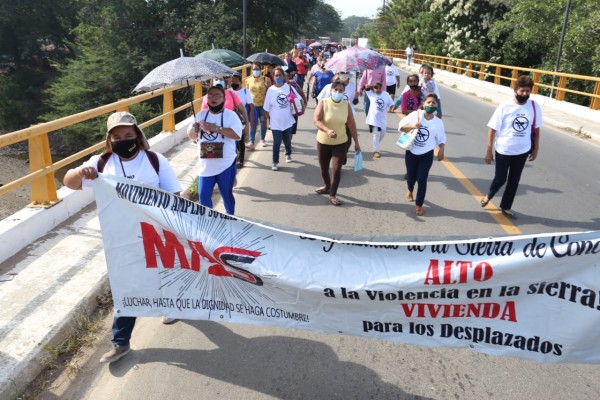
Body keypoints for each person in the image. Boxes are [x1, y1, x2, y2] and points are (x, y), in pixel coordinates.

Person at [63, 111, 182, 364]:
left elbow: (175, 194)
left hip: (155, 232)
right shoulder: (102, 163)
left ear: (138, 135)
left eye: (128, 135)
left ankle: (170, 306)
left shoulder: (155, 160)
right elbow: (69, 182)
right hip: (122, 237)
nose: (123, 139)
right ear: (109, 139)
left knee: (163, 272)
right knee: (126, 286)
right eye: (116, 136)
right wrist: (82, 172)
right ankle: (121, 342)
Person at [480, 75, 542, 218]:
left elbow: (537, 129)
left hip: (522, 150)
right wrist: (489, 150)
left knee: (514, 180)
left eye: (527, 91)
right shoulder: (505, 106)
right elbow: (492, 128)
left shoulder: (534, 106)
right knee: (501, 178)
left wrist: (536, 148)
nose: (525, 94)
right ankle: (489, 194)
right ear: (515, 91)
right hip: (504, 149)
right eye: (522, 91)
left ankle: (506, 207)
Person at [188, 85, 243, 215]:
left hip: (225, 164)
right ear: (206, 99)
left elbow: (237, 135)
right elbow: (191, 136)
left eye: (217, 95)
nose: (213, 98)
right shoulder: (201, 115)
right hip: (206, 165)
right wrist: (194, 129)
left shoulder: (231, 115)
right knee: (203, 196)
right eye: (210, 95)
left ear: (224, 99)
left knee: (226, 195)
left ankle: (231, 218)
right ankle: (209, 222)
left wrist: (215, 128)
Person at [313, 80, 362, 206]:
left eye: (341, 90)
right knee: (324, 169)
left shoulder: (346, 105)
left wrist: (357, 142)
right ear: (331, 90)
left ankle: (333, 194)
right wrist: (327, 130)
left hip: (341, 142)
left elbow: (351, 124)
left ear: (344, 92)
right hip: (323, 141)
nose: (338, 92)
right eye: (336, 90)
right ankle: (327, 186)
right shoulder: (323, 103)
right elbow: (316, 120)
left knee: (336, 169)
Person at [398, 93, 446, 216]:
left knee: (422, 179)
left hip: (427, 154)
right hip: (412, 151)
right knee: (411, 176)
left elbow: (441, 138)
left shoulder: (438, 122)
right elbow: (401, 127)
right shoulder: (415, 115)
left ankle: (419, 205)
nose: (431, 104)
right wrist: (413, 126)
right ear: (423, 104)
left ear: (437, 106)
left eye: (434, 103)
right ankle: (410, 189)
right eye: (429, 102)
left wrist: (441, 150)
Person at [262, 66, 302, 170]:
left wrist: (300, 106)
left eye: (280, 75)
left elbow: (299, 99)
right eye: (276, 75)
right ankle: (275, 162)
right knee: (277, 142)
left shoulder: (289, 87)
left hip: (288, 121)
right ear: (273, 77)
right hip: (275, 122)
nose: (278, 77)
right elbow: (266, 107)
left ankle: (288, 153)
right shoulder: (271, 90)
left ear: (283, 76)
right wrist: (265, 120)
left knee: (287, 141)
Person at [318, 71, 359, 164]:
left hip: (347, 119)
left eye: (346, 72)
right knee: (334, 141)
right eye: (342, 72)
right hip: (332, 118)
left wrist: (356, 97)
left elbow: (355, 103)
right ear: (338, 74)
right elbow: (321, 100)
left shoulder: (353, 86)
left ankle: (342, 154)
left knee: (347, 142)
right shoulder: (330, 87)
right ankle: (336, 157)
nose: (344, 74)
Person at [229, 74, 254, 168]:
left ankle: (240, 160)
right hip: (230, 120)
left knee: (240, 140)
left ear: (240, 82)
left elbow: (251, 106)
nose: (233, 83)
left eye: (235, 81)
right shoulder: (228, 91)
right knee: (231, 140)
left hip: (241, 119)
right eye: (232, 81)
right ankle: (233, 159)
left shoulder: (245, 91)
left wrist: (251, 120)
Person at [245, 62, 272, 148]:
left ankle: (262, 139)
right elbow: (246, 92)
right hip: (252, 106)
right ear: (251, 70)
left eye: (257, 69)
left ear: (261, 70)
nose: (256, 71)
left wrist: (268, 86)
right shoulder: (248, 80)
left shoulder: (266, 79)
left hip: (263, 105)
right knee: (253, 123)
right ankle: (252, 141)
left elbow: (271, 92)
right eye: (254, 69)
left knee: (263, 122)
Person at [365, 82, 394, 158]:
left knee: (382, 134)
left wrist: (392, 107)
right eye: (375, 88)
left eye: (379, 87)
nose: (377, 89)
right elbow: (367, 88)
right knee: (376, 134)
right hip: (373, 119)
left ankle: (376, 144)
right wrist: (369, 86)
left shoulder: (386, 94)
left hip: (382, 119)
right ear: (373, 88)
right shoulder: (371, 94)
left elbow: (391, 103)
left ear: (382, 87)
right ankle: (376, 151)